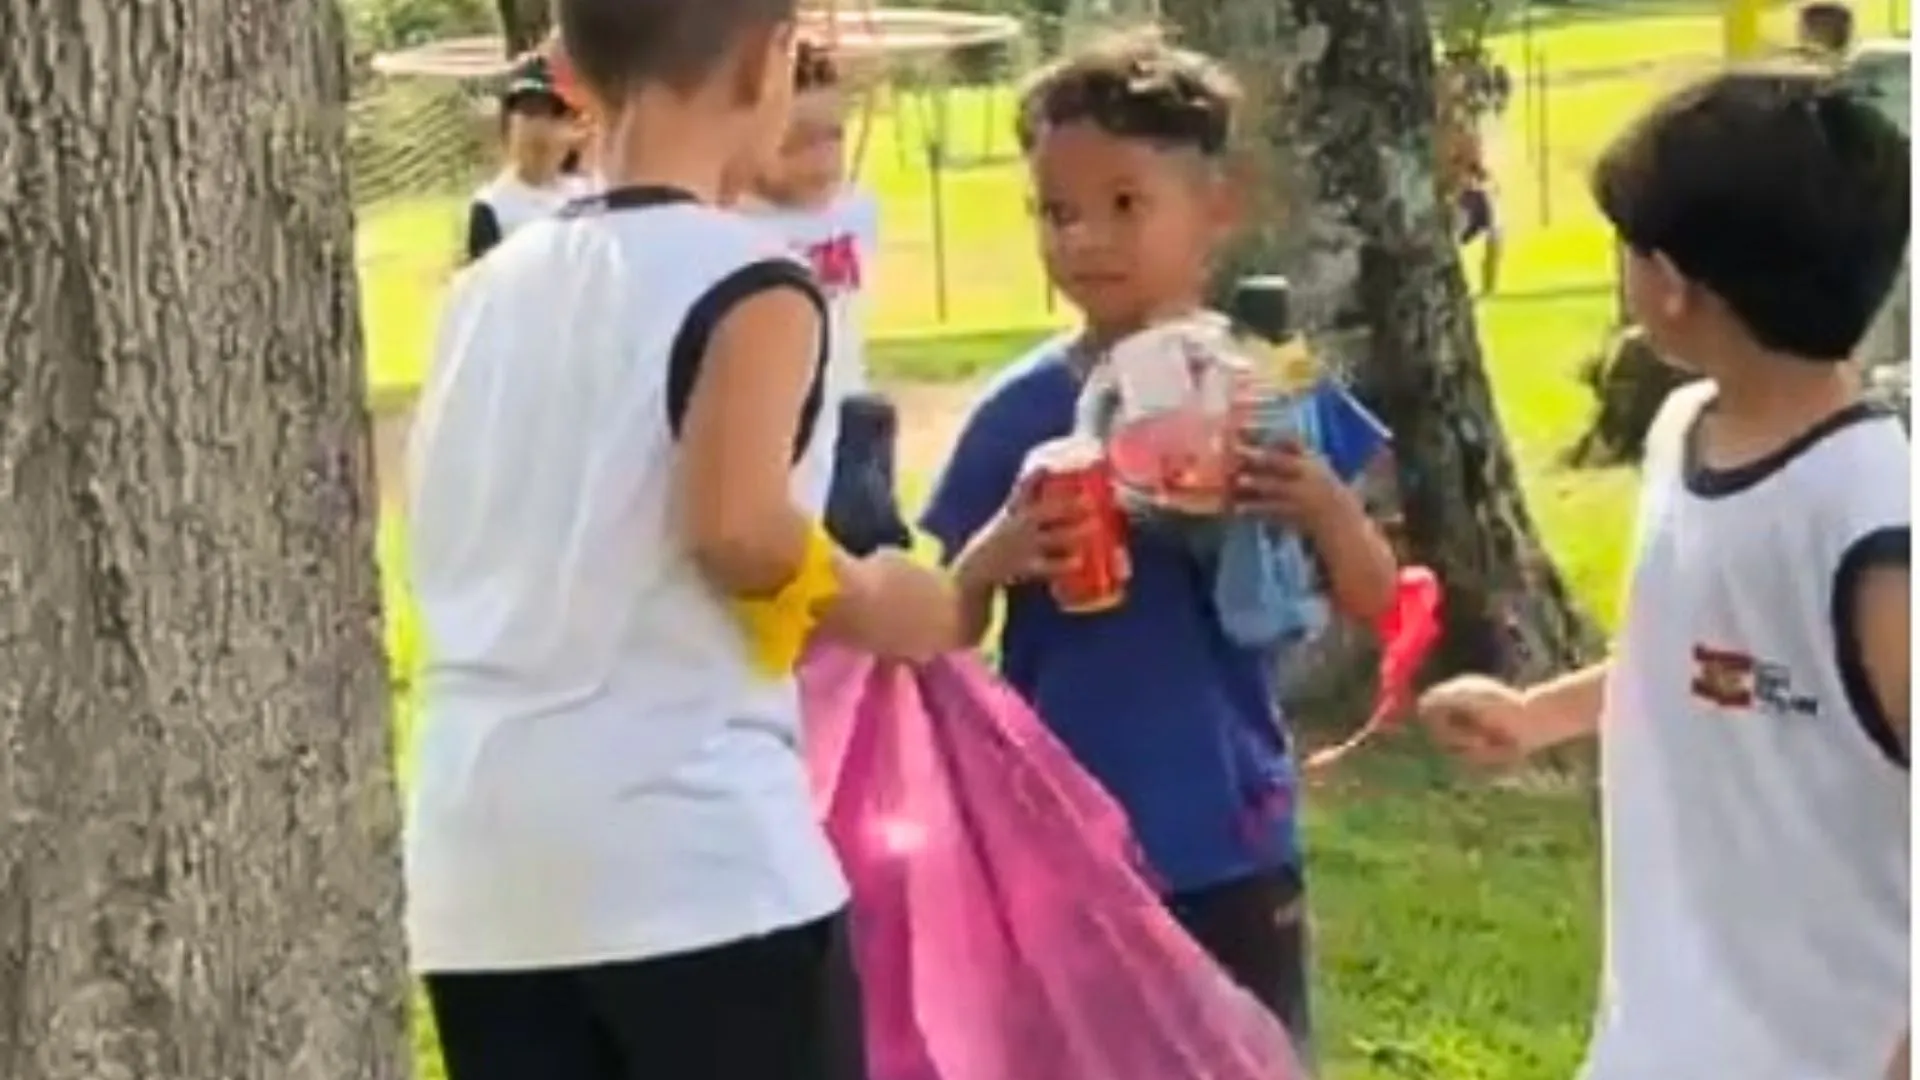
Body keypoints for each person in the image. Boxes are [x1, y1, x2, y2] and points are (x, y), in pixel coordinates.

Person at [401, 0, 962, 1073]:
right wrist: (889, 603)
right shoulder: (755, 284)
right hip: (689, 867)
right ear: (768, 60)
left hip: (481, 874)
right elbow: (739, 530)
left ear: (570, 69)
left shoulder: (477, 295)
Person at [1417, 67, 1909, 1080]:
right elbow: (1697, 653)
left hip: (1832, 1048)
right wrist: (1537, 715)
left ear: (1674, 284)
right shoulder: (1685, 430)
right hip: (1665, 1032)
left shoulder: (1872, 518)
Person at [919, 32, 1399, 1062]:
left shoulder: (1272, 389)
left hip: (1229, 833)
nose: (1085, 238)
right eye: (1057, 211)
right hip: (1061, 831)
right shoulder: (1023, 412)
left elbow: (1373, 593)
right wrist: (997, 553)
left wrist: (1319, 503)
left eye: (1126, 204)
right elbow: (943, 630)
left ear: (1216, 210)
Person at [737, 40, 911, 553]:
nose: (821, 158)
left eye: (832, 137)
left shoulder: (858, 210)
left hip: (852, 418)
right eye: (797, 142)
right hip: (780, 434)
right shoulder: (733, 226)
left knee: (873, 566)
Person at [463, 50, 583, 262]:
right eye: (528, 113)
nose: (538, 126)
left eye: (552, 113)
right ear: (508, 125)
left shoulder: (590, 194)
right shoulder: (492, 208)